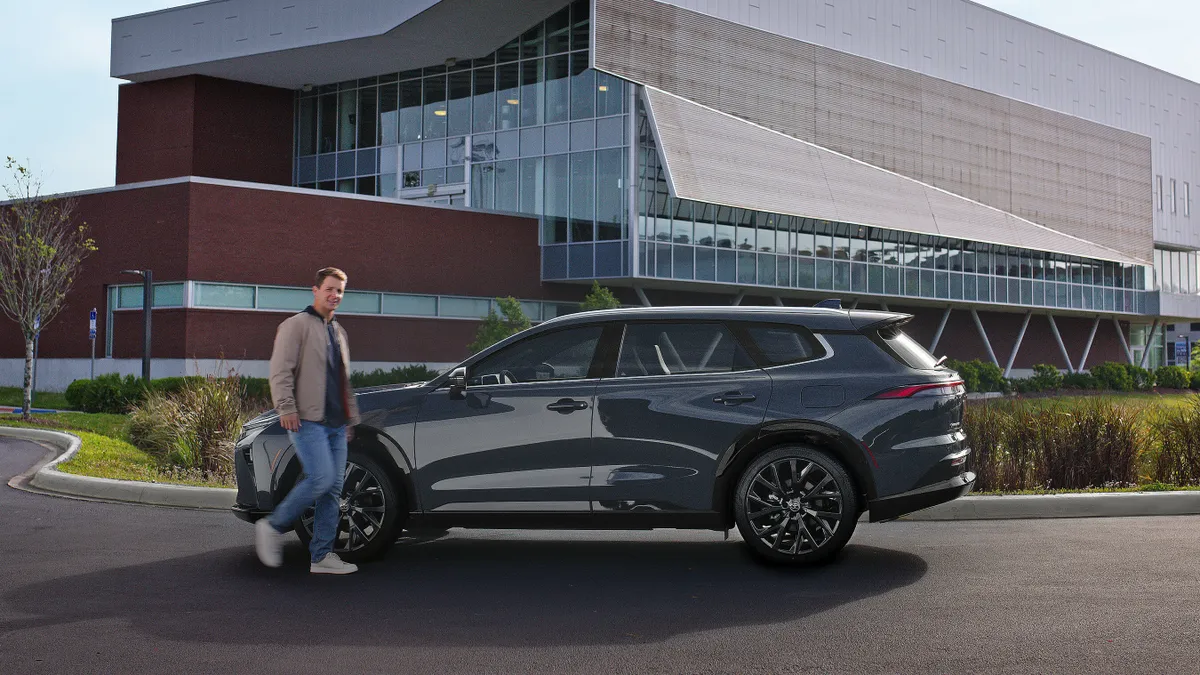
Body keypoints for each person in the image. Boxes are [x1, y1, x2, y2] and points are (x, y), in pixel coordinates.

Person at [256, 267, 361, 574]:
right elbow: (280, 371)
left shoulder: (339, 332)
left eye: (340, 291)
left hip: (336, 424)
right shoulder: (296, 325)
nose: (335, 295)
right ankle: (273, 526)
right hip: (307, 420)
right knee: (320, 479)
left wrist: (350, 418)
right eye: (330, 289)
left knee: (332, 490)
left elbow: (343, 380)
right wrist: (285, 407)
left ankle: (322, 556)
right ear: (315, 290)